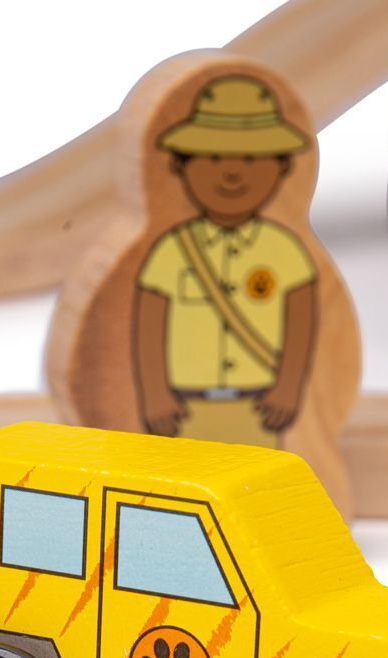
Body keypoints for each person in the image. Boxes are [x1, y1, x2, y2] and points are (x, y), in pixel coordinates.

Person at [134, 75, 317, 447]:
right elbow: (149, 324)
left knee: (259, 480)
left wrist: (288, 387)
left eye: (251, 159)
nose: (232, 173)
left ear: (283, 167)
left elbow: (302, 320)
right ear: (180, 166)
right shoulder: (172, 250)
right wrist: (154, 393)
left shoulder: (284, 250)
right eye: (214, 158)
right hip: (185, 410)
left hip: (258, 408)